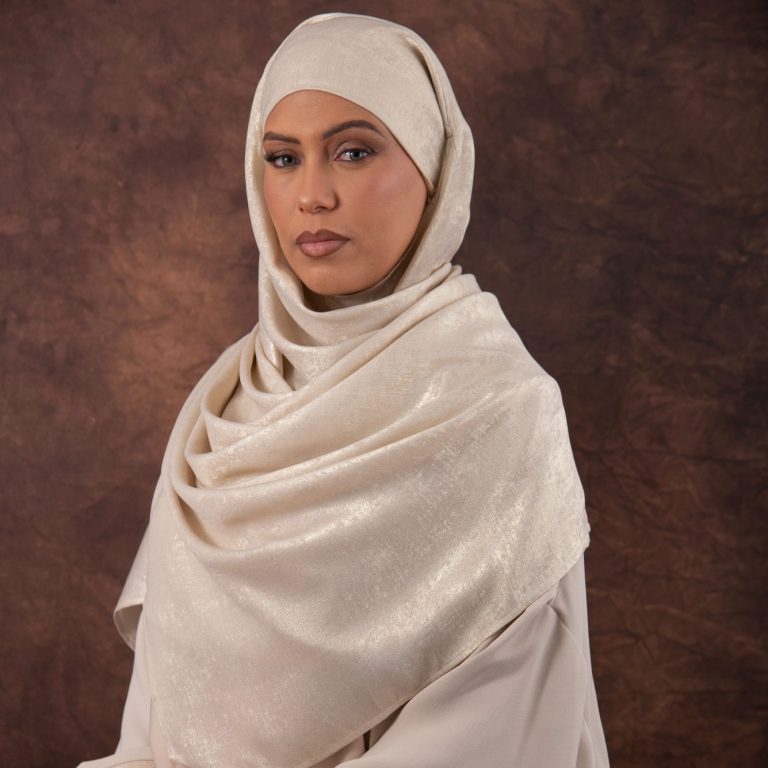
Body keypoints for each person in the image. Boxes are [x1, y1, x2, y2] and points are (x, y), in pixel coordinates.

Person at [78, 13, 609, 768]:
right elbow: (159, 724)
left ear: (434, 167)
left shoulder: (500, 411)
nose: (312, 196)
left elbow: (499, 732)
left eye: (353, 152)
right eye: (282, 158)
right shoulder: (227, 407)